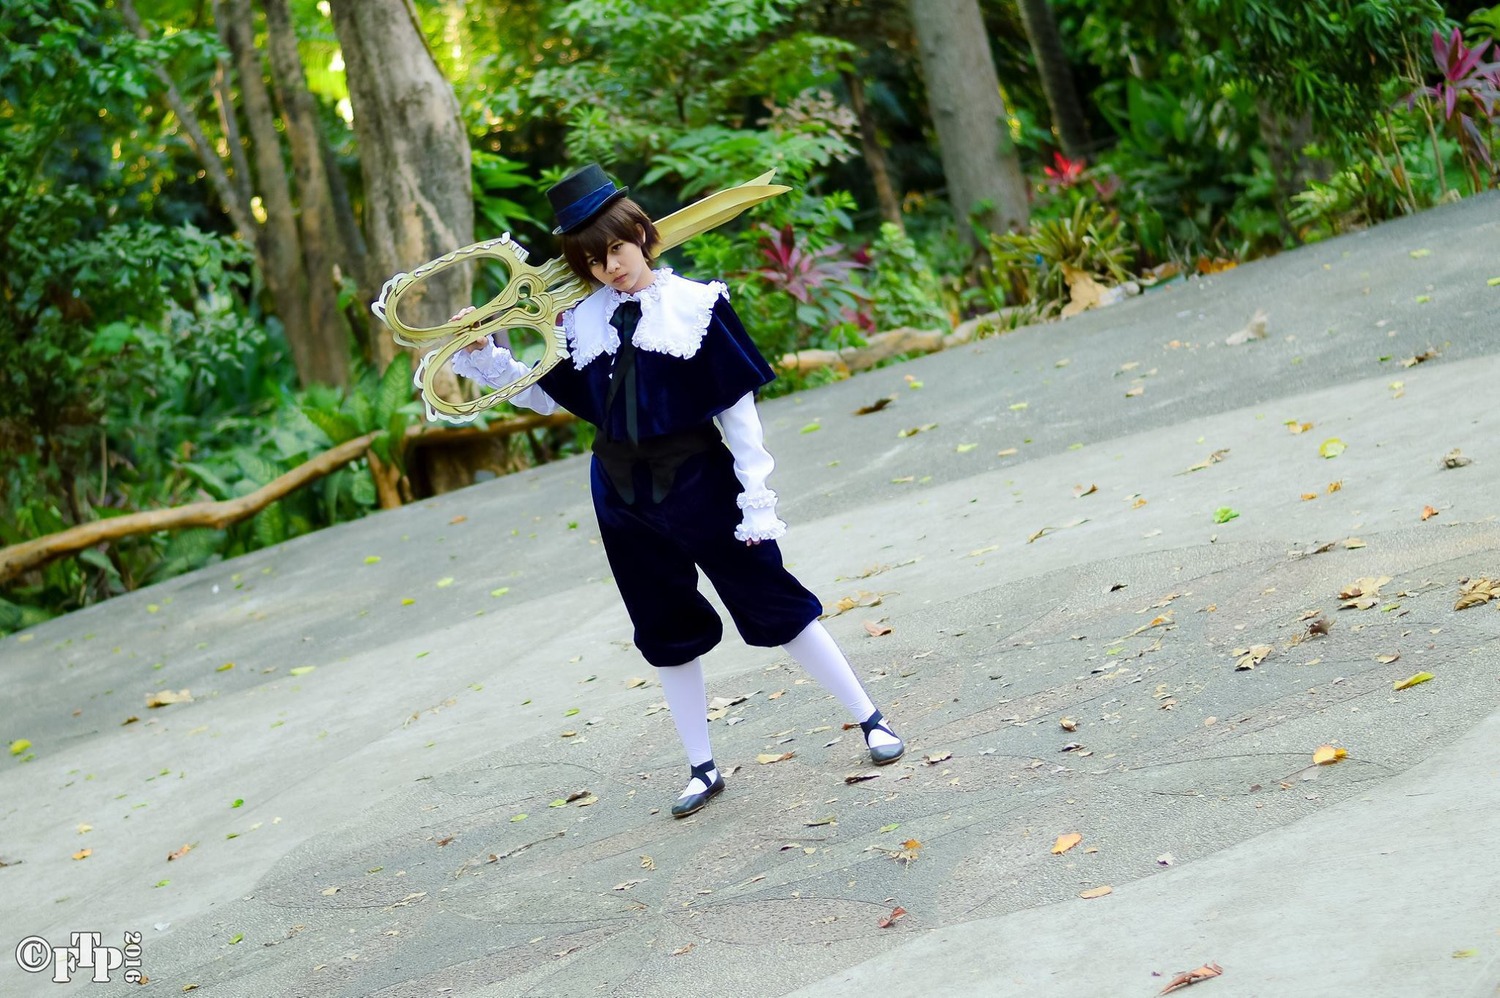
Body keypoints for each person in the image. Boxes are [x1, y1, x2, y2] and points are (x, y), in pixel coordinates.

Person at [450, 163, 903, 818]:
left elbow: (739, 418)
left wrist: (758, 498)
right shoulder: (583, 321)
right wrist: (484, 350)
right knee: (662, 626)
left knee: (774, 602)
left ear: (641, 235)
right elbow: (554, 397)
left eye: (617, 249)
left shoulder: (696, 307)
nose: (611, 267)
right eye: (594, 259)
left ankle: (870, 719)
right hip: (619, 494)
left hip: (700, 482)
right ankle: (701, 765)